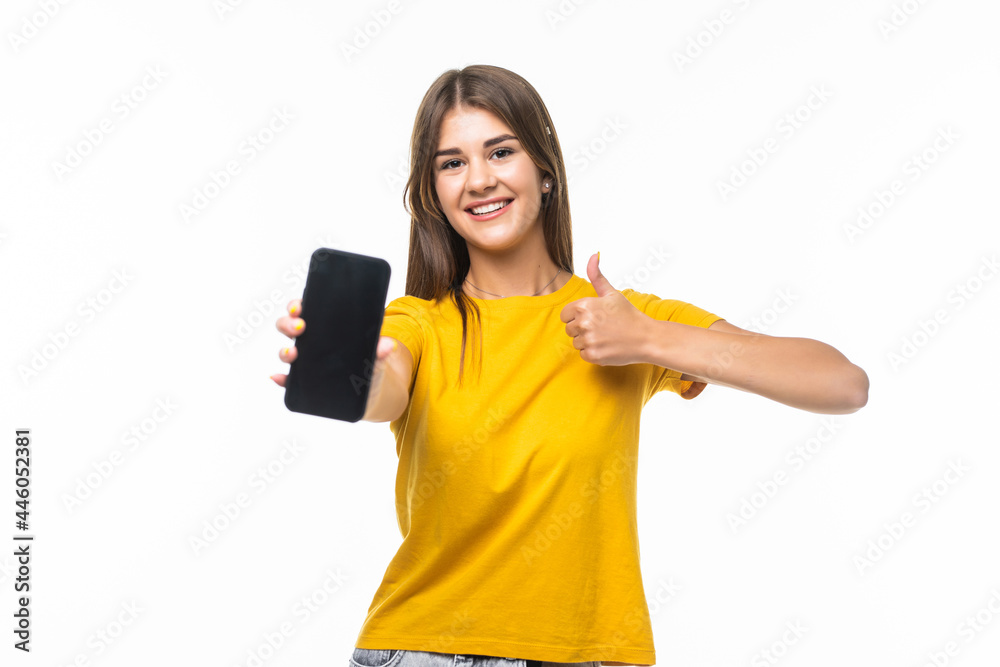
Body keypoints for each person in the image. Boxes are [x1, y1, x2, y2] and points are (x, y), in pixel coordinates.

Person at [270, 64, 869, 667]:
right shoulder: (419, 323)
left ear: (545, 170)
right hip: (431, 648)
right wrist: (351, 371)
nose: (478, 180)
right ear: (433, 192)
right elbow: (384, 388)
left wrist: (652, 339)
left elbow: (842, 384)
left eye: (500, 152)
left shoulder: (625, 321)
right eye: (452, 163)